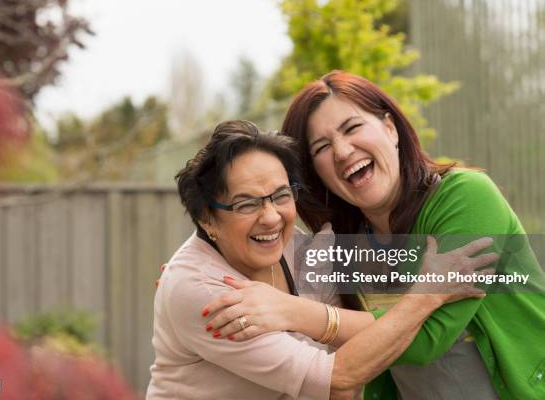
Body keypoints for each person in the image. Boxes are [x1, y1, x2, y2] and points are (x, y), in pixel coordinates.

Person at [211, 71, 545, 399]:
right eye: (322, 147)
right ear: (316, 173)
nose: (342, 151)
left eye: (353, 127)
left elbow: (426, 341)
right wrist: (210, 260)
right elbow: (285, 268)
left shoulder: (468, 197)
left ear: (390, 128)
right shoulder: (347, 240)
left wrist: (290, 311)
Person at [146, 120, 495, 400]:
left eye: (280, 196)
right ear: (206, 218)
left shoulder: (298, 251)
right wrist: (427, 296)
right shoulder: (206, 293)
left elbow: (349, 359)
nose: (270, 217)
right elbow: (338, 378)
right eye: (246, 204)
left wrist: (294, 312)